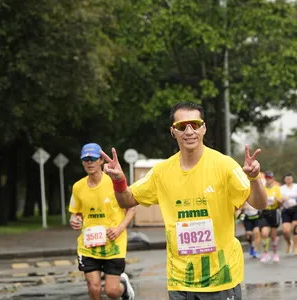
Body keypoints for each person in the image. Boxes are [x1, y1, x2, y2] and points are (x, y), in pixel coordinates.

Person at [101, 102, 267, 300]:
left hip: (221, 278)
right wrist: (119, 180)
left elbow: (260, 204)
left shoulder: (224, 165)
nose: (189, 131)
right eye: (182, 126)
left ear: (203, 128)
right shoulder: (162, 172)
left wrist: (254, 178)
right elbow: (126, 200)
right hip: (180, 281)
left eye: (195, 125)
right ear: (173, 131)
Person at [69, 143, 136, 300]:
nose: (89, 162)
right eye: (85, 159)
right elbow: (76, 214)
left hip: (114, 244)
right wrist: (75, 221)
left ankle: (123, 287)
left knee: (111, 291)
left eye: (93, 158)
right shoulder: (78, 187)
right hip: (88, 245)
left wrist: (119, 229)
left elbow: (131, 209)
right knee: (94, 288)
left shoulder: (114, 182)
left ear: (101, 161)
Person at [259, 171, 282, 263]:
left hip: (274, 211)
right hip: (265, 212)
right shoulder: (263, 188)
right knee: (264, 234)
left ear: (273, 179)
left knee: (273, 236)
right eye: (267, 178)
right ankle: (265, 253)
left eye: (270, 178)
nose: (268, 180)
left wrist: (277, 199)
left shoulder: (277, 188)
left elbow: (281, 201)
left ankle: (275, 253)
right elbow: (259, 199)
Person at [280, 172, 297, 255]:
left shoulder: (296, 187)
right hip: (286, 210)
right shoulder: (281, 188)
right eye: (287, 179)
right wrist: (282, 200)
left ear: (292, 179)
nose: (289, 180)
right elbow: (278, 200)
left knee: (295, 227)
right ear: (284, 180)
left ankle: (295, 246)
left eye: (290, 178)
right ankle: (288, 243)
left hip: (295, 209)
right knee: (286, 231)